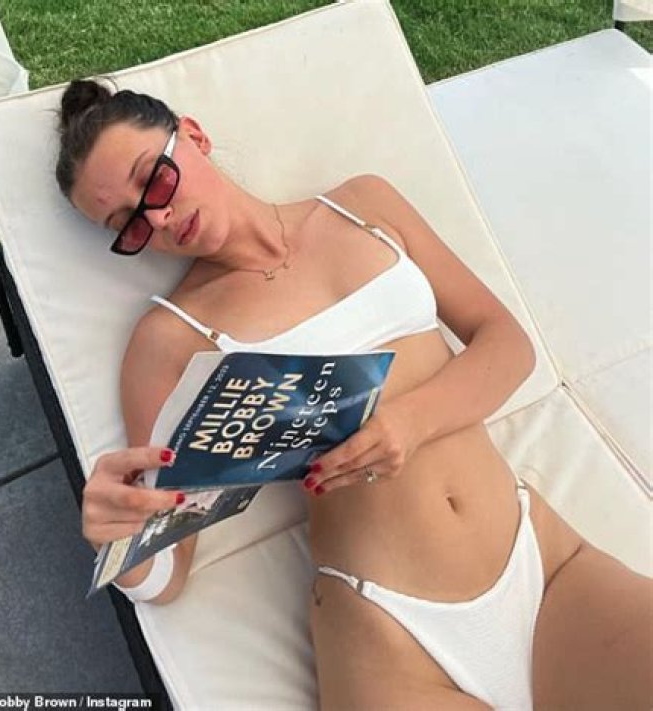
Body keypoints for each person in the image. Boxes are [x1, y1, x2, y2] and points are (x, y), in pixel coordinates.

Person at [56, 79, 652, 710]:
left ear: (194, 136)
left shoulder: (361, 205)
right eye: (128, 225)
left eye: (154, 180)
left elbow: (507, 344)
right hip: (388, 634)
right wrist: (119, 541)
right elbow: (167, 569)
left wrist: (408, 424)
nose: (156, 218)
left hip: (544, 568)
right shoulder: (168, 339)